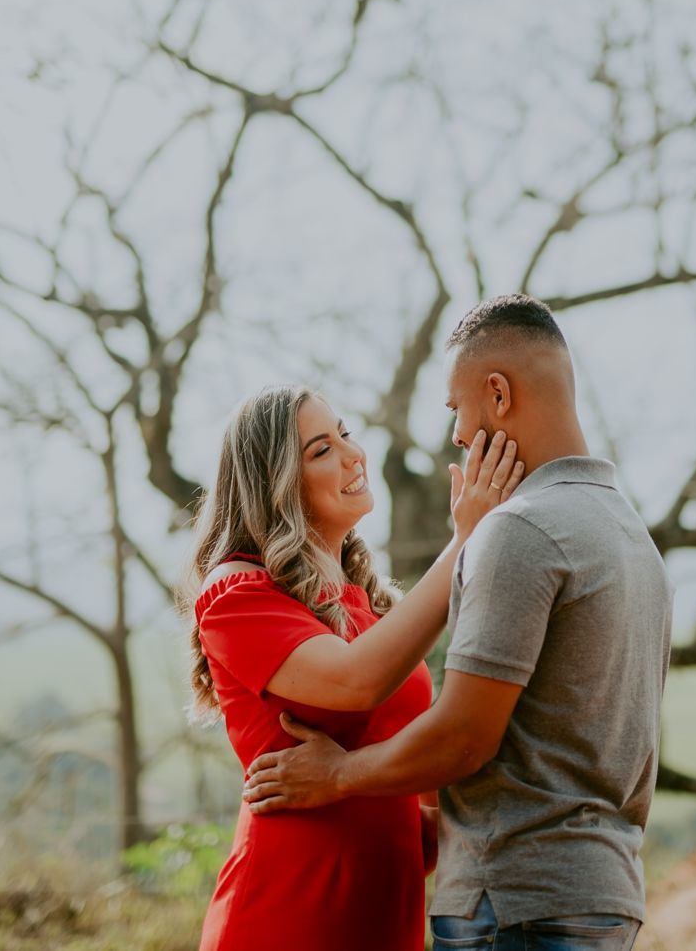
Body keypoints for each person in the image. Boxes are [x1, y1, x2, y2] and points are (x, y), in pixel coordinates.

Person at [242, 294, 674, 951]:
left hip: (513, 901)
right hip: (603, 897)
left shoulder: (521, 529)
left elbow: (464, 738)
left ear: (498, 394)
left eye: (456, 409)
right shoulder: (629, 535)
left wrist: (337, 775)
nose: (457, 435)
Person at [185, 384, 526, 951]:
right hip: (287, 916)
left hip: (383, 917)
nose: (353, 454)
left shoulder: (369, 606)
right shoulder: (238, 592)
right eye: (321, 450)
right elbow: (357, 681)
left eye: (344, 434)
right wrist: (464, 541)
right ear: (275, 484)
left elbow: (414, 796)